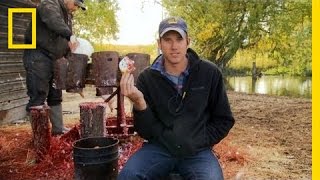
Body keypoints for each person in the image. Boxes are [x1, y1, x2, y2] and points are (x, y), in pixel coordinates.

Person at [118, 17, 235, 180]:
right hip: (159, 149)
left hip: (197, 152)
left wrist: (198, 141)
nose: (174, 46)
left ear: (188, 41)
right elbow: (145, 130)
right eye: (167, 40)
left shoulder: (209, 73)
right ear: (159, 43)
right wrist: (139, 103)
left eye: (179, 39)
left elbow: (224, 120)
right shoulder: (147, 78)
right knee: (128, 176)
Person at [23, 0, 86, 135]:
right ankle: (40, 139)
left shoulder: (67, 15)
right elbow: (52, 20)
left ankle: (58, 130)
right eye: (76, 4)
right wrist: (70, 36)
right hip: (38, 54)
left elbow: (64, 42)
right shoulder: (50, 3)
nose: (76, 8)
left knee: (55, 94)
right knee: (38, 95)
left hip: (55, 58)